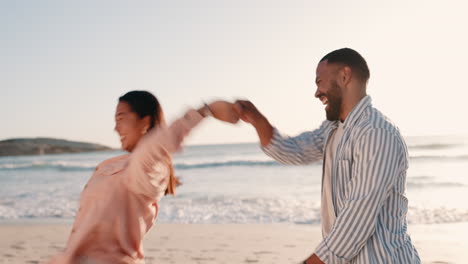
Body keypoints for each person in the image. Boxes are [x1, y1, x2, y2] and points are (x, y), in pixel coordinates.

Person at [234, 48, 420, 263]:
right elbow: (292, 150)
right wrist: (256, 119)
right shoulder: (332, 129)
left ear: (344, 76)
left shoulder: (375, 132)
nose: (316, 92)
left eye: (319, 81)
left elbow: (358, 216)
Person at [48, 90, 239, 264]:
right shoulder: (110, 165)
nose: (116, 128)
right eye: (115, 121)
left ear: (145, 121)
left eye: (121, 118)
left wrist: (205, 111)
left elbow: (156, 145)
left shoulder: (147, 168)